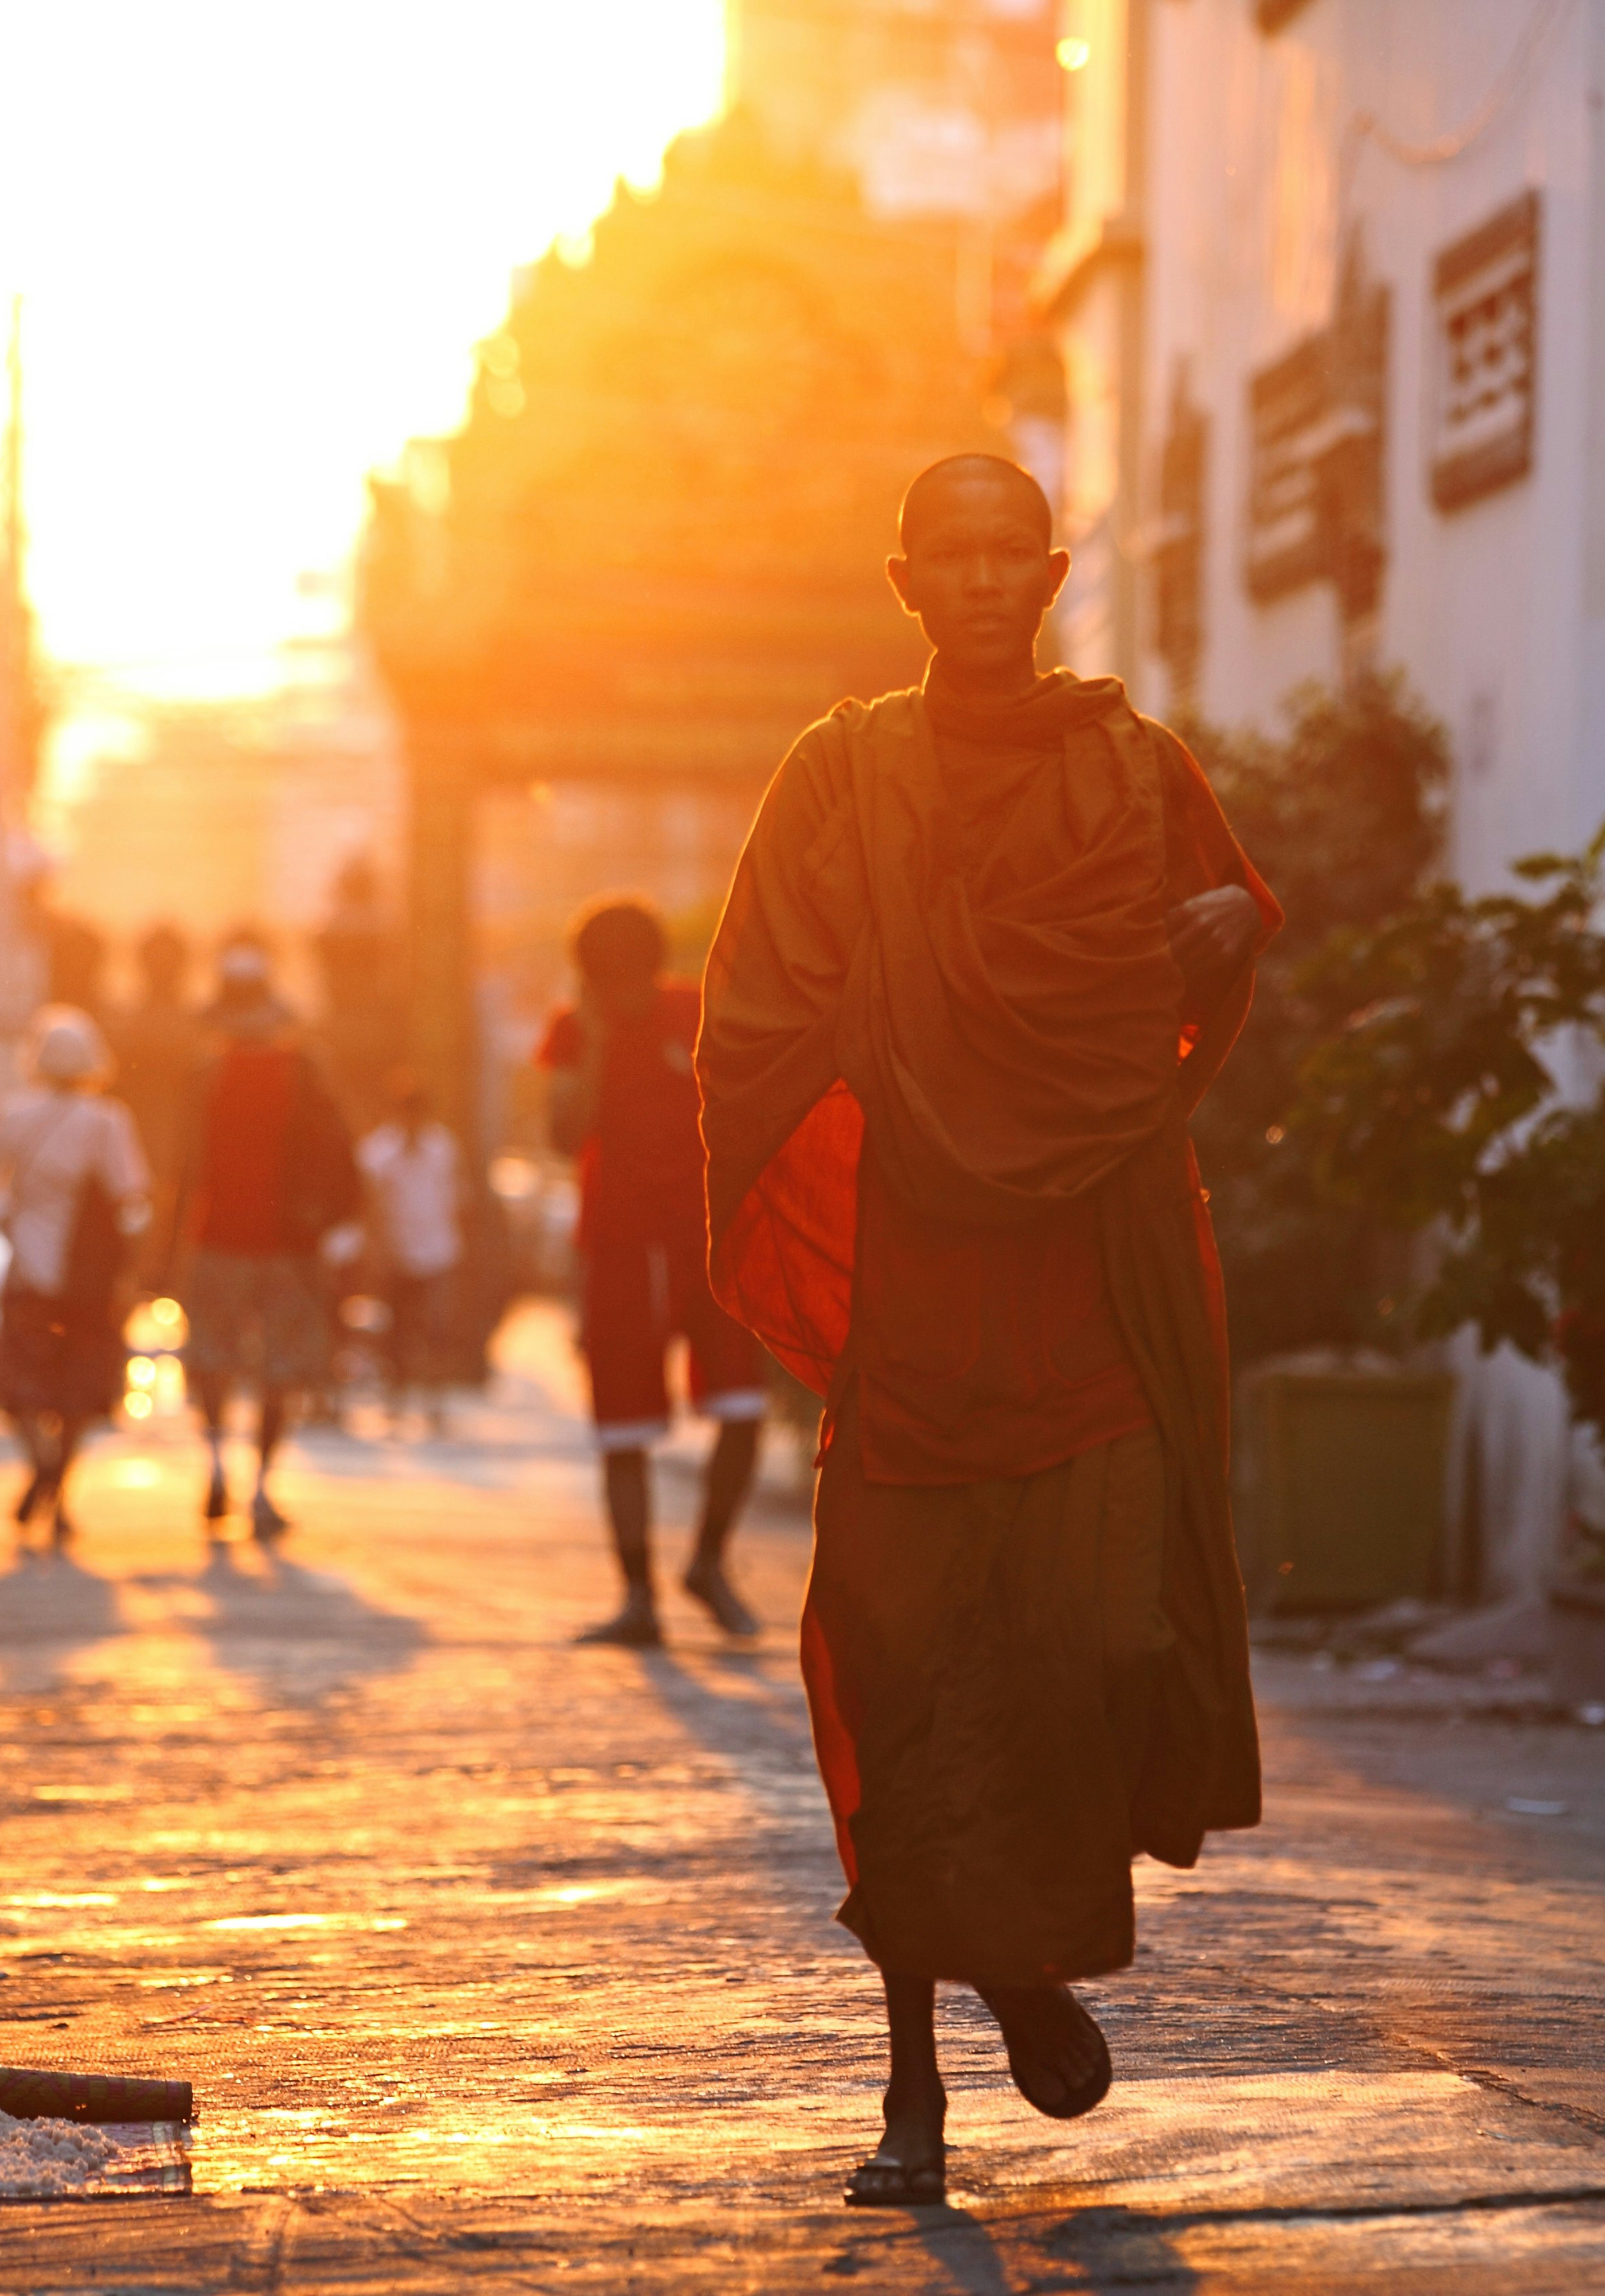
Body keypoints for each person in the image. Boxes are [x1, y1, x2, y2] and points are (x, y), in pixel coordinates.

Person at [697, 453, 1277, 2207]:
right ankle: (917, 2085)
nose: (973, 574)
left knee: (1103, 1647)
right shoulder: (840, 775)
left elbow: (1209, 959)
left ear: (1050, 566)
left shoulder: (1134, 765)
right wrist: (884, 1022)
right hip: (926, 1314)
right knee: (901, 1681)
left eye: (1001, 547)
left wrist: (1227, 927)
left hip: (1088, 1295)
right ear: (902, 576)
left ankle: (1019, 1948)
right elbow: (754, 1019)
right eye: (939, 550)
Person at [541, 896, 766, 1648]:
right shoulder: (575, 1032)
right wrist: (599, 1044)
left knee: (741, 1405)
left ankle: (707, 1562)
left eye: (633, 985)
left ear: (656, 972)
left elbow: (750, 1101)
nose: (625, 999)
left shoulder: (698, 1014)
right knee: (623, 1426)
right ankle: (638, 1596)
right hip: (618, 1245)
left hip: (707, 1237)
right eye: (609, 989)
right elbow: (563, 1135)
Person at [175, 942, 357, 1540]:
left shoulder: (206, 1074)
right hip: (287, 1246)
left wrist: (166, 1249)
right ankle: (261, 1488)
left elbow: (186, 1167)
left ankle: (217, 1464)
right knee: (280, 1370)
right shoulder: (303, 1068)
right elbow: (340, 1151)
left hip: (218, 1240)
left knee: (211, 1363)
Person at [0, 1006, 153, 1547]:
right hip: (86, 1285)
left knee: (23, 1382)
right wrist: (132, 1272)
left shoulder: (13, 1116)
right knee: (78, 1388)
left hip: (26, 1274)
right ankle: (59, 1490)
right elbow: (131, 1202)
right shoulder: (108, 1121)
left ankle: (41, 1464)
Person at [356, 1069, 465, 1437]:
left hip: (436, 1252)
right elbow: (373, 1207)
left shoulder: (442, 1148)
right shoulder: (379, 1151)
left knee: (436, 1330)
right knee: (396, 1331)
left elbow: (452, 1199)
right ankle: (396, 1401)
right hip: (396, 1254)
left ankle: (435, 1402)